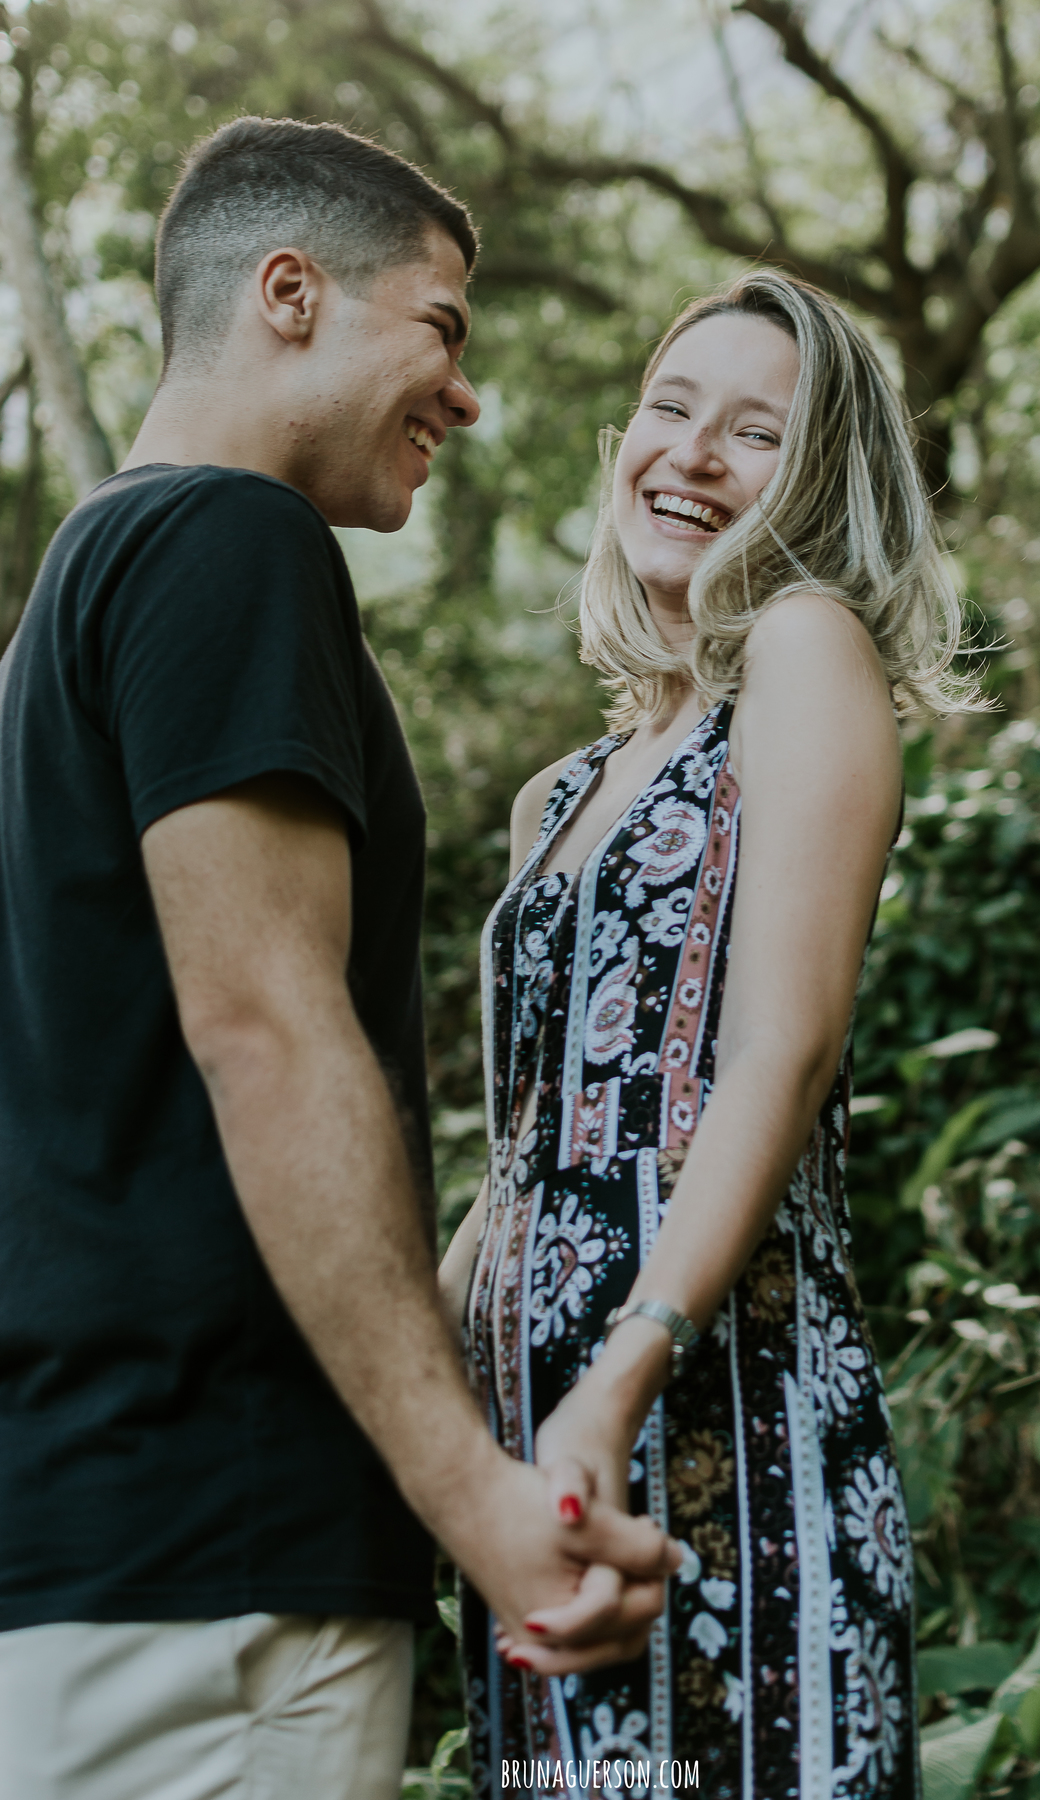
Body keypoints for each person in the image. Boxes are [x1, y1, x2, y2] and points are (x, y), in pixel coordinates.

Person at [0, 117, 676, 1800]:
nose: (465, 395)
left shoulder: (79, 594)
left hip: (105, 1544)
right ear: (287, 294)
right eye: (439, 328)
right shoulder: (230, 544)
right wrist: (479, 1504)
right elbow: (270, 1032)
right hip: (216, 1559)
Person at [441, 269, 974, 1797]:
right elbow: (525, 1161)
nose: (690, 455)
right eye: (670, 411)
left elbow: (780, 1057)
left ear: (814, 483)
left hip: (725, 1440)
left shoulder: (805, 653)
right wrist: (405, 1398)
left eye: (753, 433)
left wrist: (622, 1369)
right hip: (544, 1485)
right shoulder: (563, 793)